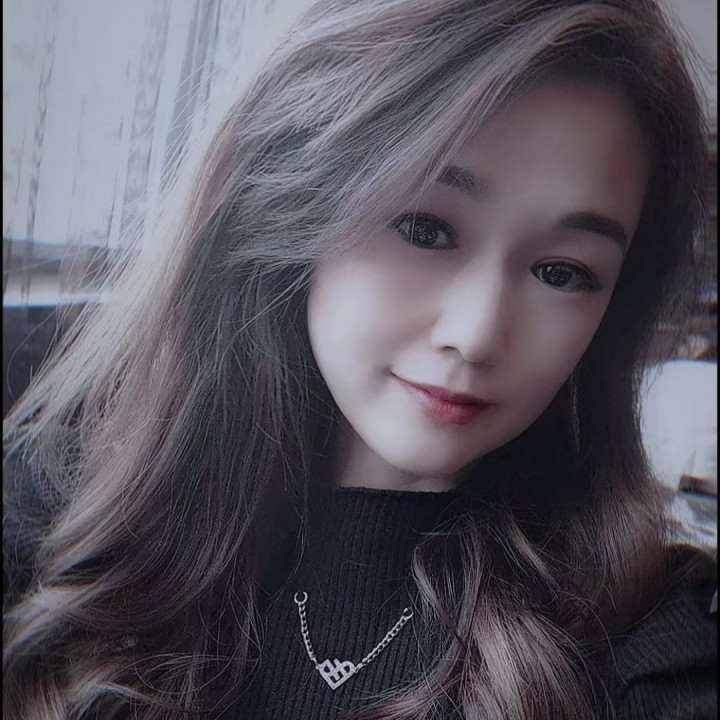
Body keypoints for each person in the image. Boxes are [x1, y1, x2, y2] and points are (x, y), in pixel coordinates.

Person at [3, 0, 717, 718]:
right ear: (293, 202)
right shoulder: (64, 516)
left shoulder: (637, 635)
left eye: (562, 272)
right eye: (425, 229)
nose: (475, 335)